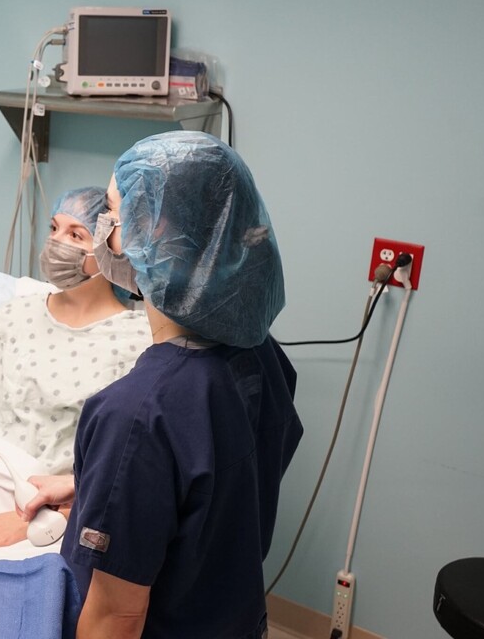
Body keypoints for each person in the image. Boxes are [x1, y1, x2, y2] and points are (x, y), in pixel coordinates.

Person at [22, 131, 304, 639]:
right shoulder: (263, 355)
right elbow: (217, 486)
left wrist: (123, 469)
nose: (105, 227)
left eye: (110, 211)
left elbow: (116, 618)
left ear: (154, 235)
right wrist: (101, 485)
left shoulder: (136, 414)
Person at [0, 186, 151, 553]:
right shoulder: (15, 313)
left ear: (110, 247)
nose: (57, 243)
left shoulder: (137, 341)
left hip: (46, 508)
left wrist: (35, 521)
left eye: (75, 234)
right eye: (54, 229)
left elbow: (125, 465)